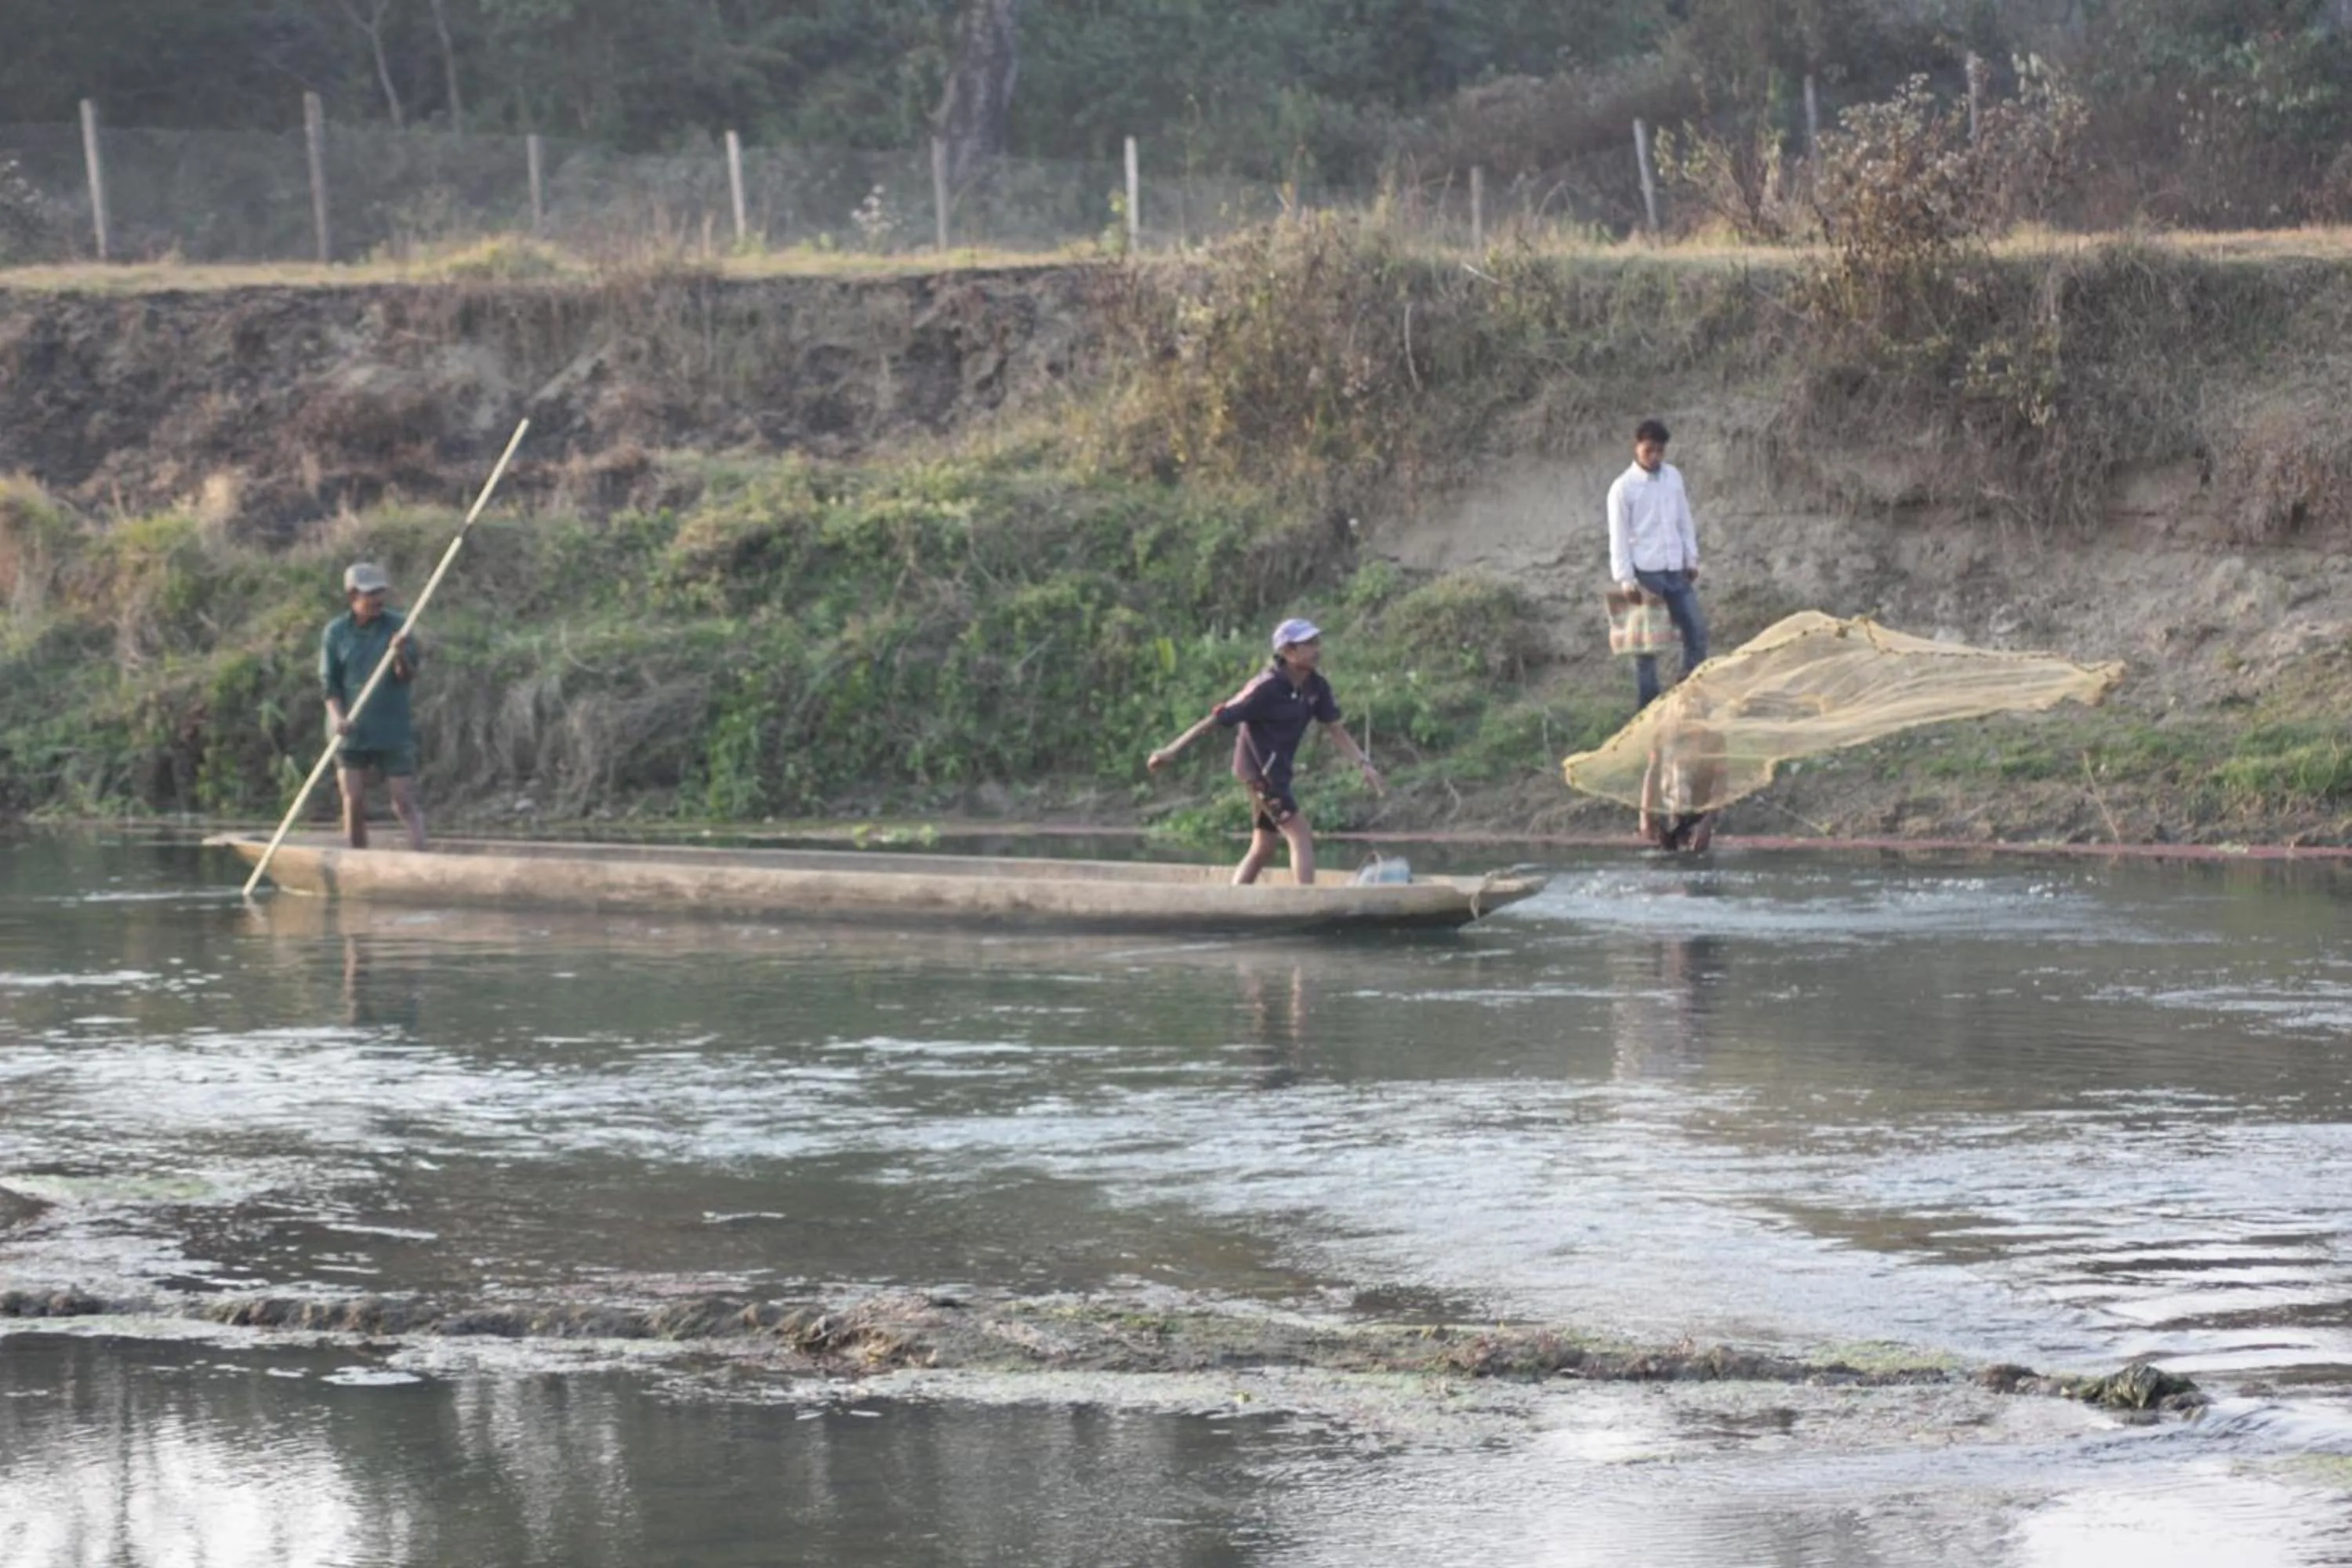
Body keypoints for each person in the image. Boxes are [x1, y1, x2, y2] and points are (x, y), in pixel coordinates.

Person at [1147, 618, 1384, 885]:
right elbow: (1216, 719)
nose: (1317, 649)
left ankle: (1234, 901)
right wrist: (1171, 750)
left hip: (1278, 773)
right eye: (1308, 644)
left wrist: (1363, 764)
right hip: (1258, 773)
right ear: (1288, 652)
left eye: (1316, 642)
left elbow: (1335, 729)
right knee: (1300, 834)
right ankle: (1304, 903)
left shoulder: (1316, 687)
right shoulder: (1265, 688)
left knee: (1263, 847)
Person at [320, 561, 426, 851]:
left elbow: (407, 676)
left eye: (381, 592)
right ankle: (357, 858)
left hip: (391, 728)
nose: (378, 599)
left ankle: (422, 856)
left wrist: (399, 655)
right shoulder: (336, 632)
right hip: (350, 730)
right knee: (353, 799)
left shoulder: (397, 626)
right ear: (353, 595)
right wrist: (338, 718)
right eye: (371, 594)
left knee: (403, 801)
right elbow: (330, 685)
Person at [1606, 417, 1710, 710]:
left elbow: (1683, 519)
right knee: (1647, 647)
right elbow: (1619, 535)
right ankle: (1648, 708)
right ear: (1636, 446)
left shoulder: (1673, 477)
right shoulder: (1623, 488)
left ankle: (1687, 696)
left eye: (1659, 451)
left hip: (1676, 570)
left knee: (1696, 632)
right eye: (1648, 450)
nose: (1654, 457)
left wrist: (1691, 558)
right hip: (1645, 576)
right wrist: (1625, 579)